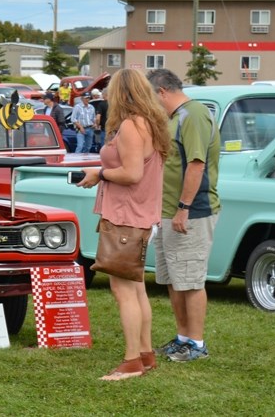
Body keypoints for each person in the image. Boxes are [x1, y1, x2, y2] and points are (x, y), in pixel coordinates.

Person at [76, 68, 170, 381]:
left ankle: (132, 361)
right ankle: (145, 354)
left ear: (121, 93)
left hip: (127, 218)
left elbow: (131, 174)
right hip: (141, 216)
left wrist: (99, 174)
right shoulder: (150, 123)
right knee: (137, 288)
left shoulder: (131, 126)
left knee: (123, 290)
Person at [147, 68, 221, 363]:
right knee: (172, 278)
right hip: (167, 213)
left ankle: (197, 344)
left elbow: (196, 165)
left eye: (151, 98)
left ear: (162, 92)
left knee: (190, 280)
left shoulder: (193, 115)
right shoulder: (175, 118)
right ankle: (182, 339)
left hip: (191, 213)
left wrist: (183, 208)